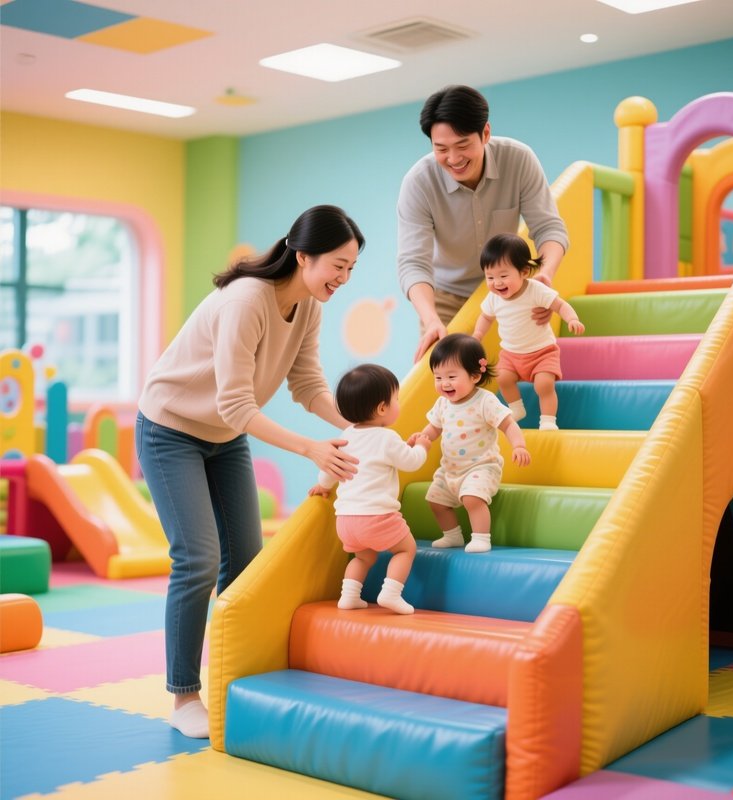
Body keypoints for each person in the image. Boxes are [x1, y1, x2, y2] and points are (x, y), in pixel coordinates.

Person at [136, 205, 364, 739]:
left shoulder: (309, 307)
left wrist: (359, 428)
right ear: (302, 254)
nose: (343, 279)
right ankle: (184, 694)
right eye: (337, 265)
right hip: (170, 428)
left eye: (352, 269)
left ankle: (233, 675)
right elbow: (237, 404)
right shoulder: (246, 301)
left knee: (244, 561)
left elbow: (306, 386)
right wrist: (312, 449)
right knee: (197, 558)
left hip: (222, 435)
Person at [397, 84, 570, 363]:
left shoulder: (518, 159)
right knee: (443, 381)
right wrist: (430, 319)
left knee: (523, 364)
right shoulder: (418, 182)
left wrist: (545, 277)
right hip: (446, 296)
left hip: (510, 287)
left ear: (485, 133)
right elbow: (413, 263)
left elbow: (549, 228)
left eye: (463, 145)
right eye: (441, 149)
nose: (453, 159)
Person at [309, 364, 431, 614]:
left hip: (346, 522)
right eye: (396, 399)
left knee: (363, 557)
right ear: (382, 408)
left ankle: (349, 596)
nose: (399, 403)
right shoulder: (387, 438)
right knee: (406, 549)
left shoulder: (345, 437)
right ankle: (391, 593)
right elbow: (411, 461)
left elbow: (329, 468)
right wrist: (421, 447)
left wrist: (323, 486)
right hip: (378, 518)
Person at [408, 333, 530, 553]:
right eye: (438, 377)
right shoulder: (443, 404)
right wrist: (421, 438)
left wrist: (519, 445)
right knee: (436, 502)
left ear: (474, 376)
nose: (444, 383)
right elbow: (434, 428)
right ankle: (452, 536)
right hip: (450, 469)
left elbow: (508, 424)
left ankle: (482, 537)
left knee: (473, 499)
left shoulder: (485, 401)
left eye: (451, 376)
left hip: (481, 467)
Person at [473, 233, 585, 431]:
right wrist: (478, 335)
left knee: (543, 385)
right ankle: (517, 408)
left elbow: (560, 306)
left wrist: (572, 319)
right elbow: (486, 317)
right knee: (502, 378)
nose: (497, 283)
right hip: (511, 354)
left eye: (503, 276)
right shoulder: (494, 298)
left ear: (524, 272)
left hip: (542, 352)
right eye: (490, 277)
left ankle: (548, 421)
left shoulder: (536, 290)